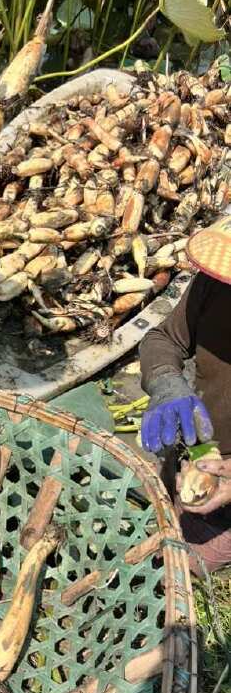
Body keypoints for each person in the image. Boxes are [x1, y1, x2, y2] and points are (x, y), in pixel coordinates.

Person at [140, 215, 231, 574]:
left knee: (193, 562)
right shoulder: (219, 283)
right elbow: (165, 338)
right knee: (161, 506)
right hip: (207, 442)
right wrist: (166, 382)